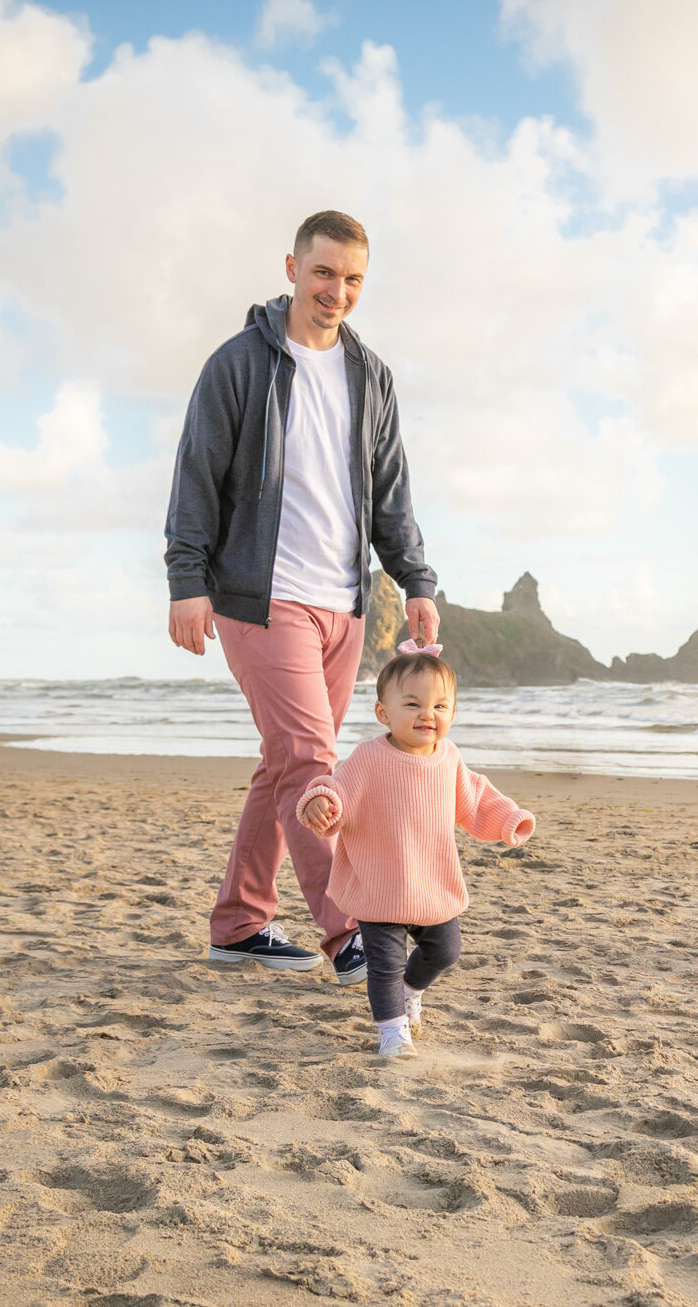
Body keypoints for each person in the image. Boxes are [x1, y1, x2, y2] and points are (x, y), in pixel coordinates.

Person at [164, 210, 440, 985]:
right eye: (324, 273)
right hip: (261, 596)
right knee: (314, 762)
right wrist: (188, 581)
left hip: (343, 604)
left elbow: (389, 494)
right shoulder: (240, 364)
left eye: (353, 279)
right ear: (292, 269)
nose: (337, 291)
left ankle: (239, 924)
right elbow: (196, 474)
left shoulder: (370, 374)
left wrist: (414, 580)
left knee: (283, 767)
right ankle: (351, 932)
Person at [296, 644, 533, 1057]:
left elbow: (475, 798)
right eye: (413, 703)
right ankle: (392, 1034)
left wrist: (509, 818)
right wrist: (320, 800)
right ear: (383, 713)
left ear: (453, 714)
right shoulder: (370, 757)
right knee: (383, 965)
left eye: (441, 705)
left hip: (431, 882)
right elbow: (337, 788)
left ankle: (411, 991)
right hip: (381, 884)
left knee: (445, 951)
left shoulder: (449, 758)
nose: (428, 714)